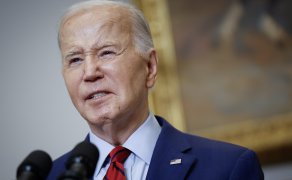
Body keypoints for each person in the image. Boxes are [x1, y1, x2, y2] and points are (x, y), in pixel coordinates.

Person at [48, 0, 264, 179]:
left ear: (150, 67)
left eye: (106, 53)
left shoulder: (229, 168)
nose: (89, 72)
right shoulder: (50, 176)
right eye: (75, 59)